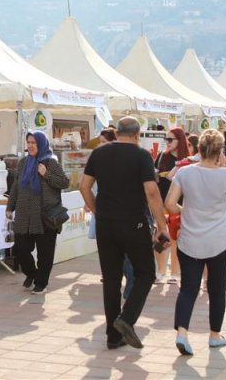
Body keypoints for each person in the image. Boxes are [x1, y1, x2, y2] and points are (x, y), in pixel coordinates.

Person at [80, 116, 170, 350]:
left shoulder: (99, 153)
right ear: (137, 134)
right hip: (133, 223)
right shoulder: (141, 156)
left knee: (110, 278)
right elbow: (151, 192)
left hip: (106, 224)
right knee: (146, 272)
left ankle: (112, 336)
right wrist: (162, 226)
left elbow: (84, 186)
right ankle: (126, 319)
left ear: (117, 132)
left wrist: (98, 210)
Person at [164, 129, 226, 356]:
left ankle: (182, 333)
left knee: (188, 288)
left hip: (190, 239)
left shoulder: (185, 173)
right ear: (219, 151)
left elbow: (169, 204)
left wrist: (185, 211)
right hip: (219, 240)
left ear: (199, 149)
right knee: (217, 289)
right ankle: (214, 335)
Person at [6, 131, 70, 294]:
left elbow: (64, 182)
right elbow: (15, 186)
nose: (30, 145)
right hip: (24, 214)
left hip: (45, 215)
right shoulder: (23, 163)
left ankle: (41, 282)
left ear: (41, 144)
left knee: (45, 253)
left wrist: (46, 174)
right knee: (20, 249)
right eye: (28, 142)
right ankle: (32, 273)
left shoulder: (50, 162)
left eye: (34, 142)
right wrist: (10, 207)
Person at [154, 127, 188, 284]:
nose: (166, 143)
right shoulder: (162, 156)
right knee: (160, 236)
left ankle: (176, 272)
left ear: (179, 141)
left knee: (176, 238)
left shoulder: (188, 160)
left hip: (179, 204)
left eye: (170, 139)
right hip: (161, 203)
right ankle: (160, 271)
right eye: (165, 139)